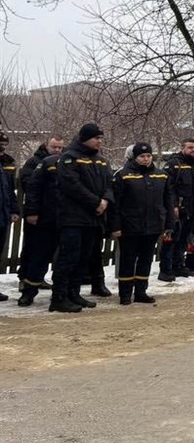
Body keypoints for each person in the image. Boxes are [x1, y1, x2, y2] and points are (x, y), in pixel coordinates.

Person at [51, 123, 114, 313]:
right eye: (97, 138)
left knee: (84, 258)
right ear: (85, 138)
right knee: (69, 257)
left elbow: (109, 184)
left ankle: (74, 293)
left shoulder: (101, 161)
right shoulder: (69, 158)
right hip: (73, 217)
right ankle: (59, 297)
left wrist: (105, 200)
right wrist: (96, 202)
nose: (100, 142)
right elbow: (72, 186)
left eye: (101, 138)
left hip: (93, 218)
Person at [108, 143, 170, 305]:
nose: (146, 159)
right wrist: (115, 226)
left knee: (146, 259)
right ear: (135, 158)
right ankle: (125, 294)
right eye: (142, 156)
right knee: (128, 260)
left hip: (153, 225)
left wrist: (168, 223)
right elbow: (115, 204)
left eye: (148, 156)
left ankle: (141, 291)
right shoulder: (123, 175)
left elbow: (168, 201)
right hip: (130, 226)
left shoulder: (161, 175)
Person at [15, 137, 64, 305]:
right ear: (46, 145)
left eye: (59, 147)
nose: (57, 150)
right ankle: (26, 283)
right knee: (34, 251)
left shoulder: (63, 162)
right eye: (54, 146)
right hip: (40, 215)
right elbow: (29, 185)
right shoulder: (35, 162)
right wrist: (33, 211)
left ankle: (54, 288)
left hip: (59, 215)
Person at [160, 138, 194, 282]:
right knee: (171, 239)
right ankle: (166, 269)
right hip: (177, 209)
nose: (193, 150)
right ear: (182, 148)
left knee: (183, 239)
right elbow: (168, 187)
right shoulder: (174, 164)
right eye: (190, 147)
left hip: (191, 208)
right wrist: (173, 205)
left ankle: (179, 265)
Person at [0, 134, 18, 300]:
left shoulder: (5, 164)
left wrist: (14, 210)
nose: (2, 147)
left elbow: (9, 191)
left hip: (2, 215)